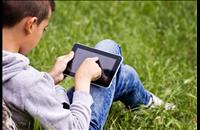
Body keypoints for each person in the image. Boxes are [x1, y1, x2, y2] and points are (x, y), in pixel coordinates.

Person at [2, 1, 175, 130]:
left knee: (119, 74)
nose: (42, 34)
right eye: (44, 28)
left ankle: (147, 102)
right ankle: (147, 103)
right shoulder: (27, 83)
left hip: (48, 115)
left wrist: (48, 78)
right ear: (30, 25)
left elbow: (23, 96)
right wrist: (83, 83)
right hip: (78, 124)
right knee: (109, 48)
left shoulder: (13, 72)